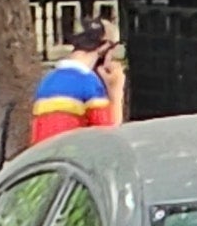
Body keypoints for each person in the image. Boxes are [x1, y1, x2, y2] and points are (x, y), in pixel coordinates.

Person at [26, 12, 125, 151]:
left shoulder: (48, 81)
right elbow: (108, 136)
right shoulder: (89, 83)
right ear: (104, 48)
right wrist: (116, 92)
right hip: (72, 158)